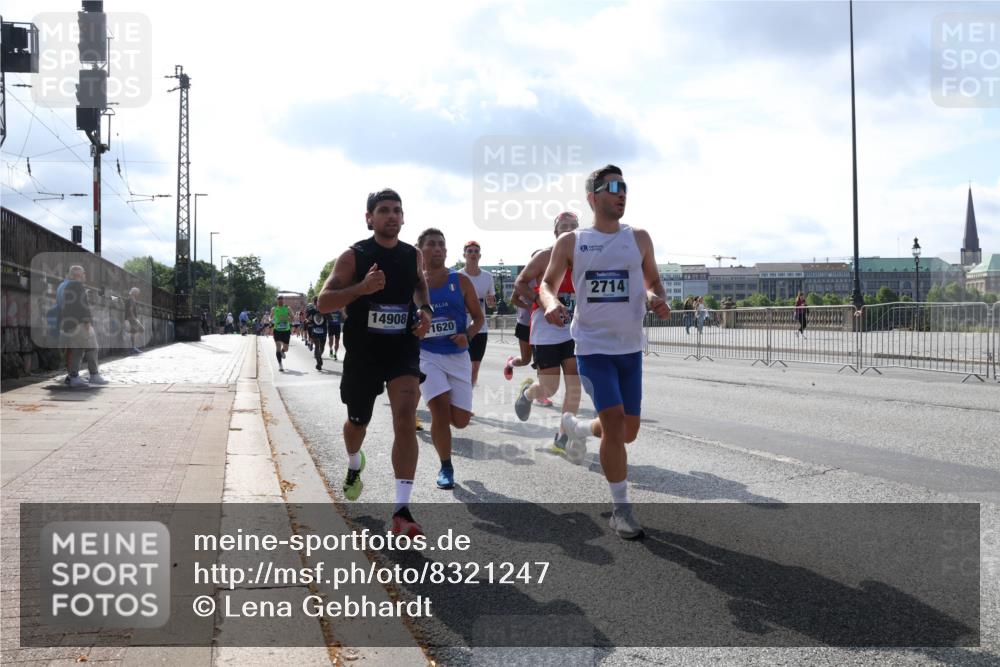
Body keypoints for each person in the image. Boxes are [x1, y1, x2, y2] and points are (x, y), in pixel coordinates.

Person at [543, 165, 670, 540]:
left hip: (630, 347)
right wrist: (550, 303)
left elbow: (653, 281)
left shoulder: (640, 238)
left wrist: (655, 297)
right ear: (592, 197)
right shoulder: (572, 242)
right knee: (614, 423)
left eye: (624, 187)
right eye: (612, 187)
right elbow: (547, 284)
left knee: (627, 431)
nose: (621, 193)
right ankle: (621, 509)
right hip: (593, 346)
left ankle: (576, 427)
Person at [317, 188, 432, 537]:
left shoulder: (413, 255)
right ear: (369, 217)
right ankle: (355, 462)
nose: (392, 216)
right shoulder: (354, 256)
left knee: (404, 416)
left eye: (397, 210)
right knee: (357, 422)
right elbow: (323, 302)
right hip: (364, 353)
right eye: (383, 210)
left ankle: (401, 510)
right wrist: (361, 290)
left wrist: (425, 312)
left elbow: (420, 288)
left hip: (402, 348)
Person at [416, 228, 484, 490]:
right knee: (440, 413)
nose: (437, 248)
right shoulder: (414, 284)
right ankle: (446, 466)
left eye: (441, 244)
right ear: (420, 250)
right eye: (431, 244)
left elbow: (479, 318)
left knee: (461, 420)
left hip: (457, 357)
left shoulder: (461, 281)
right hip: (427, 355)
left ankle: (446, 457)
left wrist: (467, 335)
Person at [511, 212, 583, 456]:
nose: (569, 231)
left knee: (574, 384)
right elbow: (520, 284)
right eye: (564, 227)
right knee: (550, 388)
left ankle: (562, 435)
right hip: (545, 329)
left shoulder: (586, 257)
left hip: (574, 329)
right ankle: (529, 392)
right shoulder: (544, 256)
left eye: (573, 227)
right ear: (555, 232)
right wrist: (542, 303)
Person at [58, 265, 108, 387]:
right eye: (84, 273)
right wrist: (87, 321)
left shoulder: (67, 286)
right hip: (80, 324)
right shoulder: (77, 285)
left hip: (70, 324)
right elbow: (81, 305)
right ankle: (94, 375)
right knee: (92, 348)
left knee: (77, 350)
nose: (85, 275)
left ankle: (74, 377)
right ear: (78, 275)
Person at [459, 241, 495, 386]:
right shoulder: (457, 276)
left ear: (480, 255)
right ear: (464, 255)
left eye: (476, 251)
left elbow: (491, 304)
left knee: (475, 367)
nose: (473, 254)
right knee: (463, 365)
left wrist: (491, 302)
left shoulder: (487, 277)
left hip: (481, 327)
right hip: (462, 326)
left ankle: (468, 397)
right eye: (470, 251)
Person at [305, 296, 328, 371]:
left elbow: (330, 318)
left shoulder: (324, 309)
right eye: (315, 302)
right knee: (318, 346)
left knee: (320, 347)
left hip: (321, 330)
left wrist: (324, 314)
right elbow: (307, 318)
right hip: (318, 330)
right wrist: (308, 320)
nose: (316, 303)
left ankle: (319, 357)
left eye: (316, 302)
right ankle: (318, 361)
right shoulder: (312, 310)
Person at [271, 296, 293, 371]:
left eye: (281, 300)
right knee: (278, 347)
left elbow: (292, 318)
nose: (280, 301)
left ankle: (282, 352)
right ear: (277, 301)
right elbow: (270, 317)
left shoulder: (288, 308)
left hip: (286, 330)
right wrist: (271, 320)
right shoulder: (274, 309)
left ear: (283, 300)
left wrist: (286, 318)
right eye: (279, 300)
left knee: (286, 348)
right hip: (277, 330)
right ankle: (280, 365)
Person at [124, 287, 144, 354]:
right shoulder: (131, 299)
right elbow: (130, 309)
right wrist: (135, 319)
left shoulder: (129, 299)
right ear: (134, 292)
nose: (138, 294)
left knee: (133, 332)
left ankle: (133, 348)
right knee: (140, 330)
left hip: (128, 318)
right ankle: (133, 348)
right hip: (131, 318)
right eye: (137, 292)